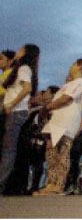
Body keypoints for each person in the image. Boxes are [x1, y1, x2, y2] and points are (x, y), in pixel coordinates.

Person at [35, 58, 82, 196]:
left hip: (66, 123)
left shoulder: (81, 82)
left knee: (62, 154)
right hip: (56, 121)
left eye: (73, 64)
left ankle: (58, 185)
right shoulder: (71, 83)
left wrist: (47, 107)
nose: (70, 66)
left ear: (80, 66)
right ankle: (50, 183)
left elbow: (67, 98)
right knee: (51, 154)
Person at [0, 44, 39, 195]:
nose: (18, 51)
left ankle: (2, 183)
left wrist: (11, 104)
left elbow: (27, 88)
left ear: (26, 53)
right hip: (16, 111)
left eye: (21, 49)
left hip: (16, 112)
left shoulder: (23, 68)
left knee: (8, 150)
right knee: (10, 149)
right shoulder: (22, 69)